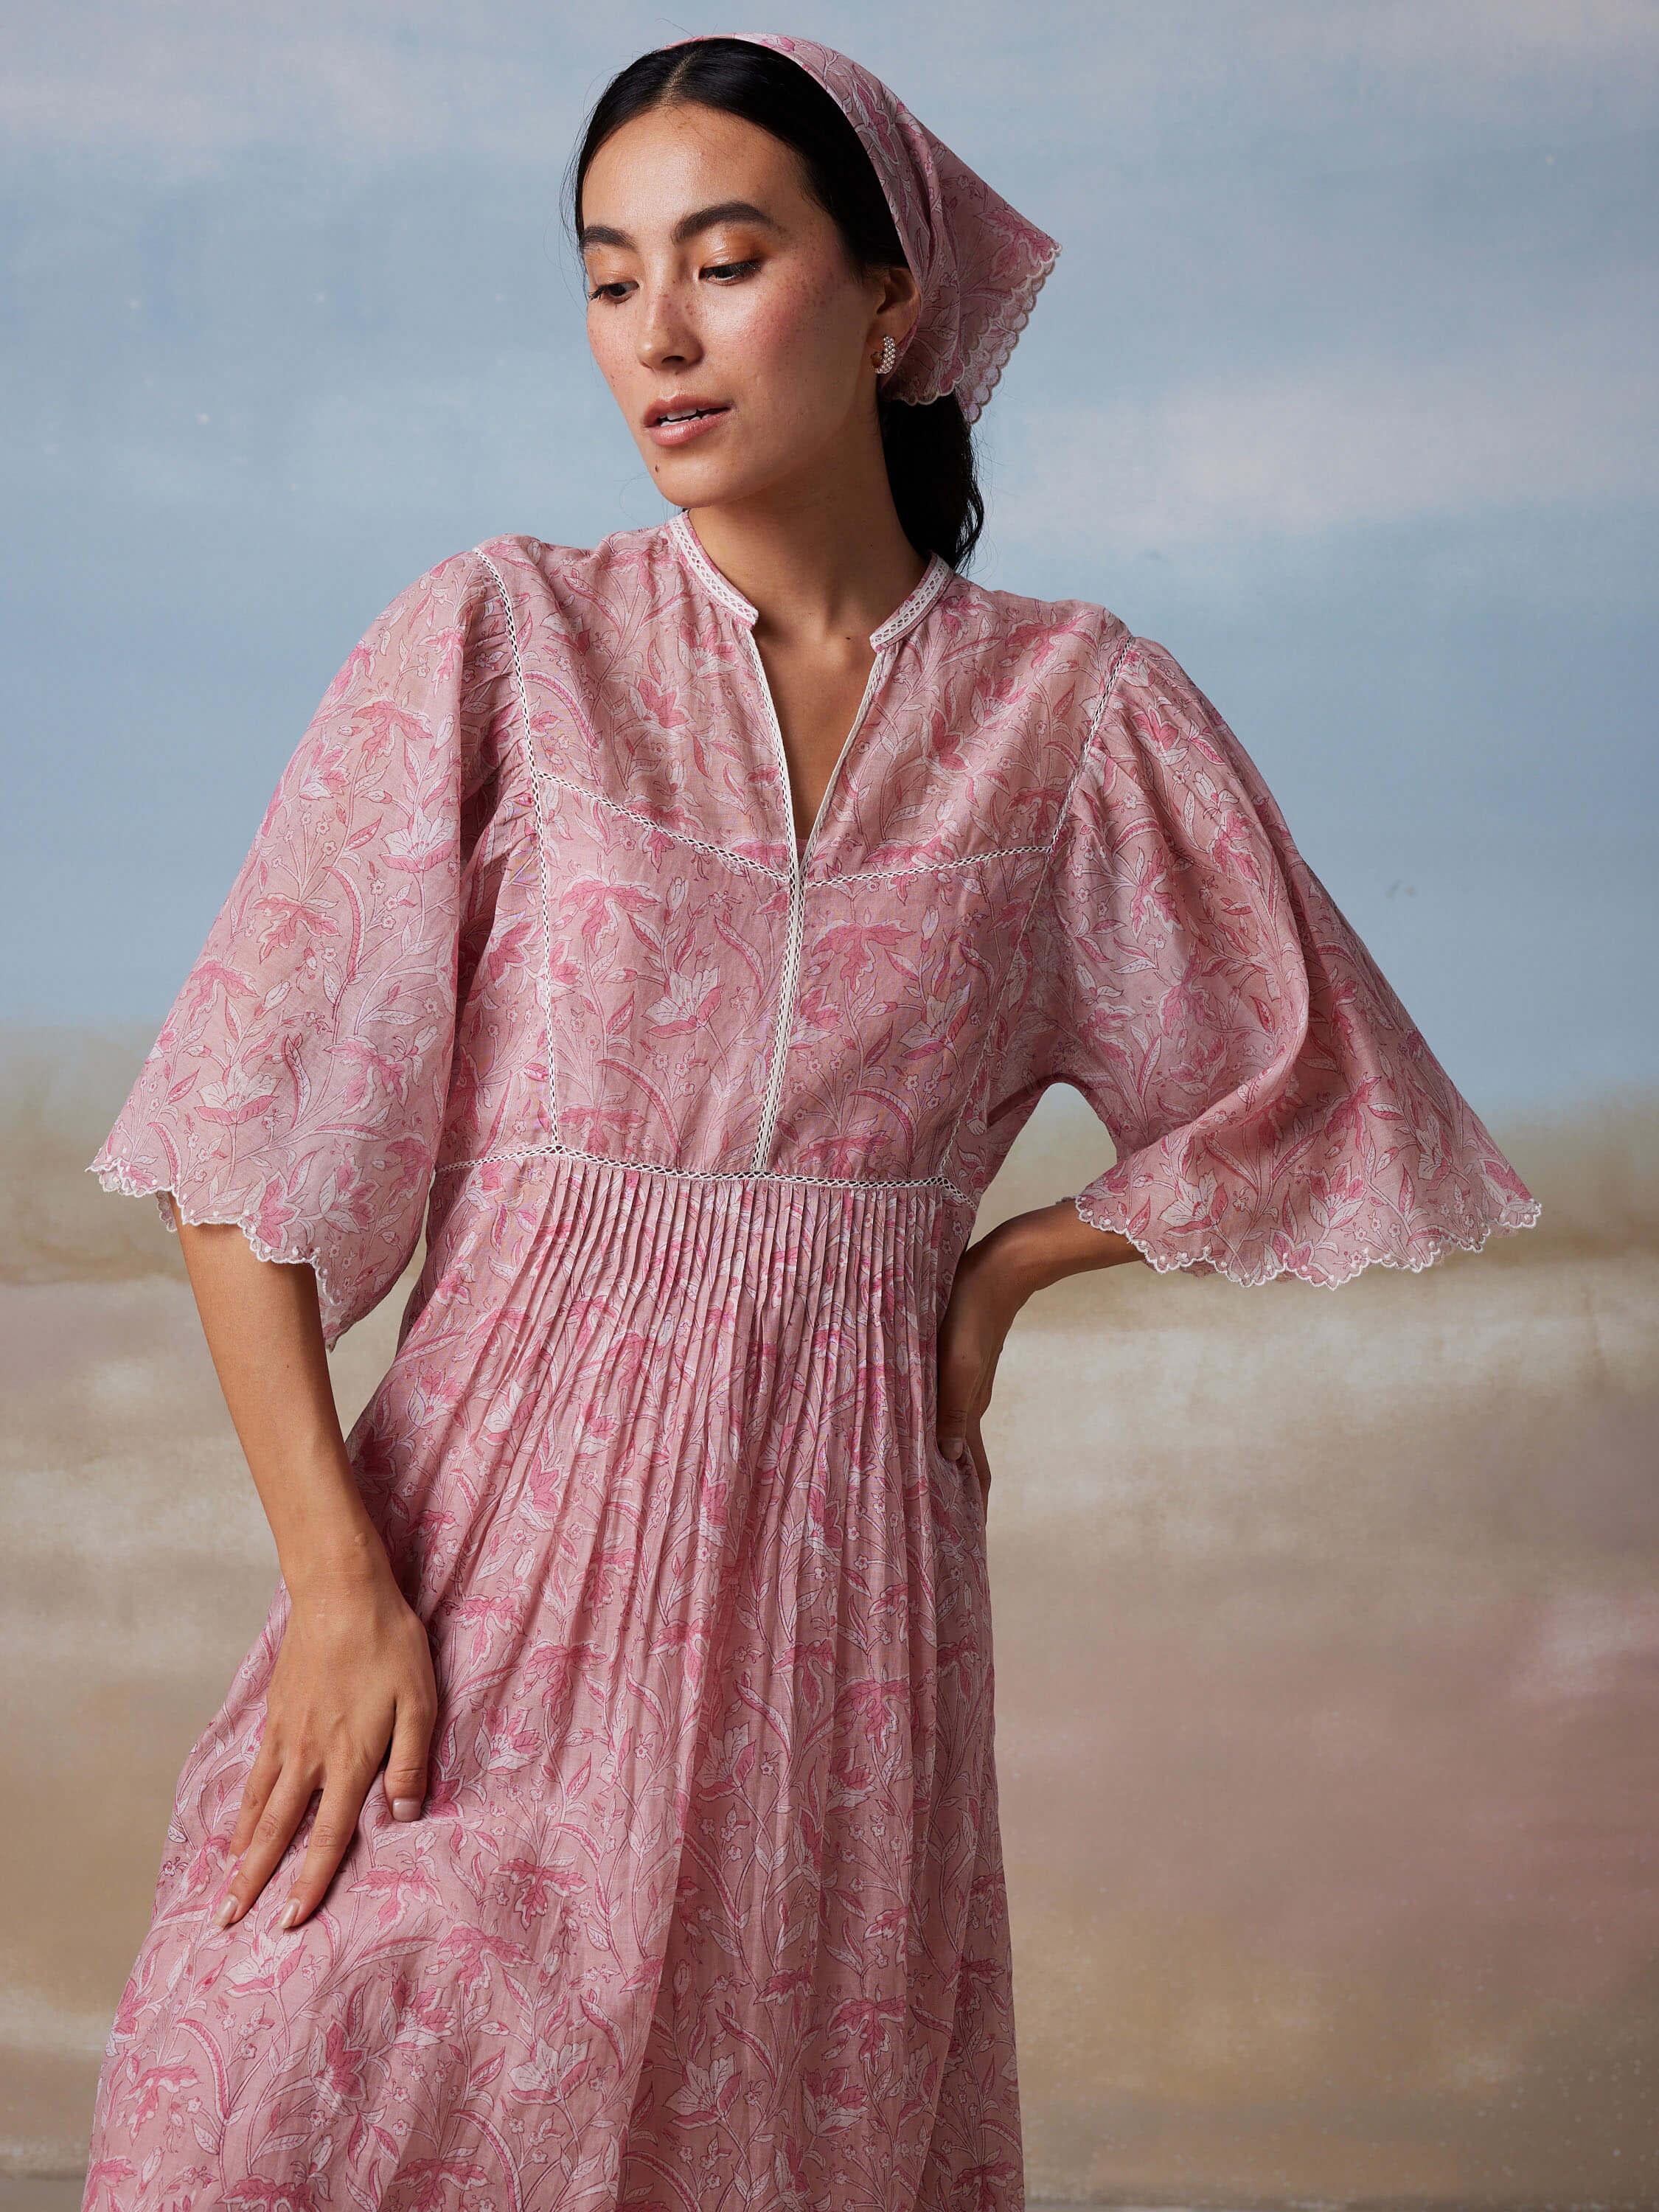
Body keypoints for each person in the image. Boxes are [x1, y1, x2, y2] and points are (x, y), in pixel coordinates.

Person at [80, 30, 1539, 2211]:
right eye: (605, 277)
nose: (653, 334)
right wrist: (336, 1584)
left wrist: (1005, 1268)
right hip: (459, 1581)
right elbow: (250, 1152)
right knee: (286, 2094)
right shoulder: (498, 644)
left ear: (887, 301)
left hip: (834, 1620)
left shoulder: (1071, 715)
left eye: (723, 258)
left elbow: (1321, 1085)